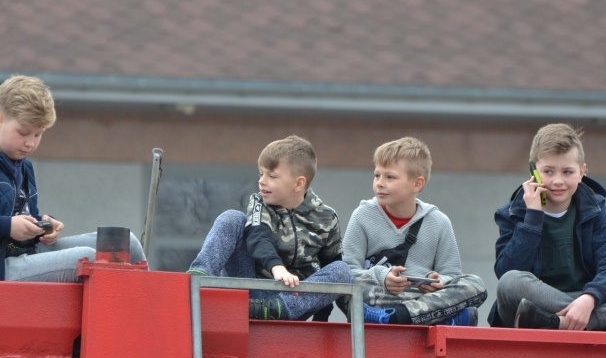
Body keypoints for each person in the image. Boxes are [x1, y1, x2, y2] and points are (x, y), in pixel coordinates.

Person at [0, 75, 145, 282]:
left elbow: (19, 217)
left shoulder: (25, 167)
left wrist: (43, 225)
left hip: (25, 252)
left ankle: (150, 316)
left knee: (127, 244)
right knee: (86, 257)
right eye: (23, 132)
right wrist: (6, 225)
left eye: (38, 134)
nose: (30, 143)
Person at [490, 123, 606, 331]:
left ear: (582, 171)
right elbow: (506, 272)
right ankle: (602, 322)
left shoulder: (594, 208)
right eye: (548, 171)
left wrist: (589, 299)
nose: (558, 181)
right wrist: (533, 217)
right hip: (537, 302)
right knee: (510, 282)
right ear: (533, 170)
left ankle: (563, 324)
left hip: (589, 299)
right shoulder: (512, 213)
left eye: (567, 172)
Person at [187, 135, 353, 320]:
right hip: (251, 290)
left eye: (272, 176)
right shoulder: (259, 202)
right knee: (232, 217)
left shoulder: (327, 217)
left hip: (291, 302)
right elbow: (258, 236)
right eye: (261, 174)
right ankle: (196, 280)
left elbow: (328, 267)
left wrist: (321, 320)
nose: (262, 181)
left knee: (342, 270)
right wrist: (277, 268)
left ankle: (276, 309)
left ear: (298, 183)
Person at [343, 137, 487, 325]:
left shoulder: (439, 222)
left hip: (420, 300)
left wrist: (437, 281)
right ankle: (429, 319)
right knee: (341, 279)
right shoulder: (362, 215)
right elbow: (346, 271)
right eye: (377, 175)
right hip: (378, 297)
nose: (379, 183)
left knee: (475, 284)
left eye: (390, 177)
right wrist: (382, 276)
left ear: (417, 184)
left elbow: (452, 275)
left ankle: (397, 317)